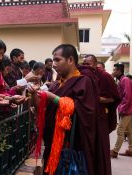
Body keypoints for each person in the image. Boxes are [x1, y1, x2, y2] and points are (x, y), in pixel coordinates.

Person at [29, 44, 99, 175]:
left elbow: (85, 111)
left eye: (57, 60)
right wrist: (33, 94)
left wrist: (53, 98)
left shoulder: (84, 82)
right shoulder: (56, 84)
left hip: (70, 144)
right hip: (52, 143)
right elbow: (41, 109)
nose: (54, 64)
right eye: (53, 60)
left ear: (70, 60)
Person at [83, 54, 120, 175]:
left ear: (95, 64)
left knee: (100, 148)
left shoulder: (104, 76)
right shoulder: (83, 75)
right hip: (87, 118)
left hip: (100, 118)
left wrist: (95, 98)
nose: (85, 67)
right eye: (84, 64)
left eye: (88, 64)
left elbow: (113, 99)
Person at [110, 63, 132, 158]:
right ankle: (131, 150)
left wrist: (122, 109)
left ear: (119, 71)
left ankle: (115, 151)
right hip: (127, 109)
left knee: (120, 129)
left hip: (127, 109)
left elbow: (127, 96)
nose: (113, 72)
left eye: (114, 70)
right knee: (128, 130)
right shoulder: (122, 80)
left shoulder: (125, 80)